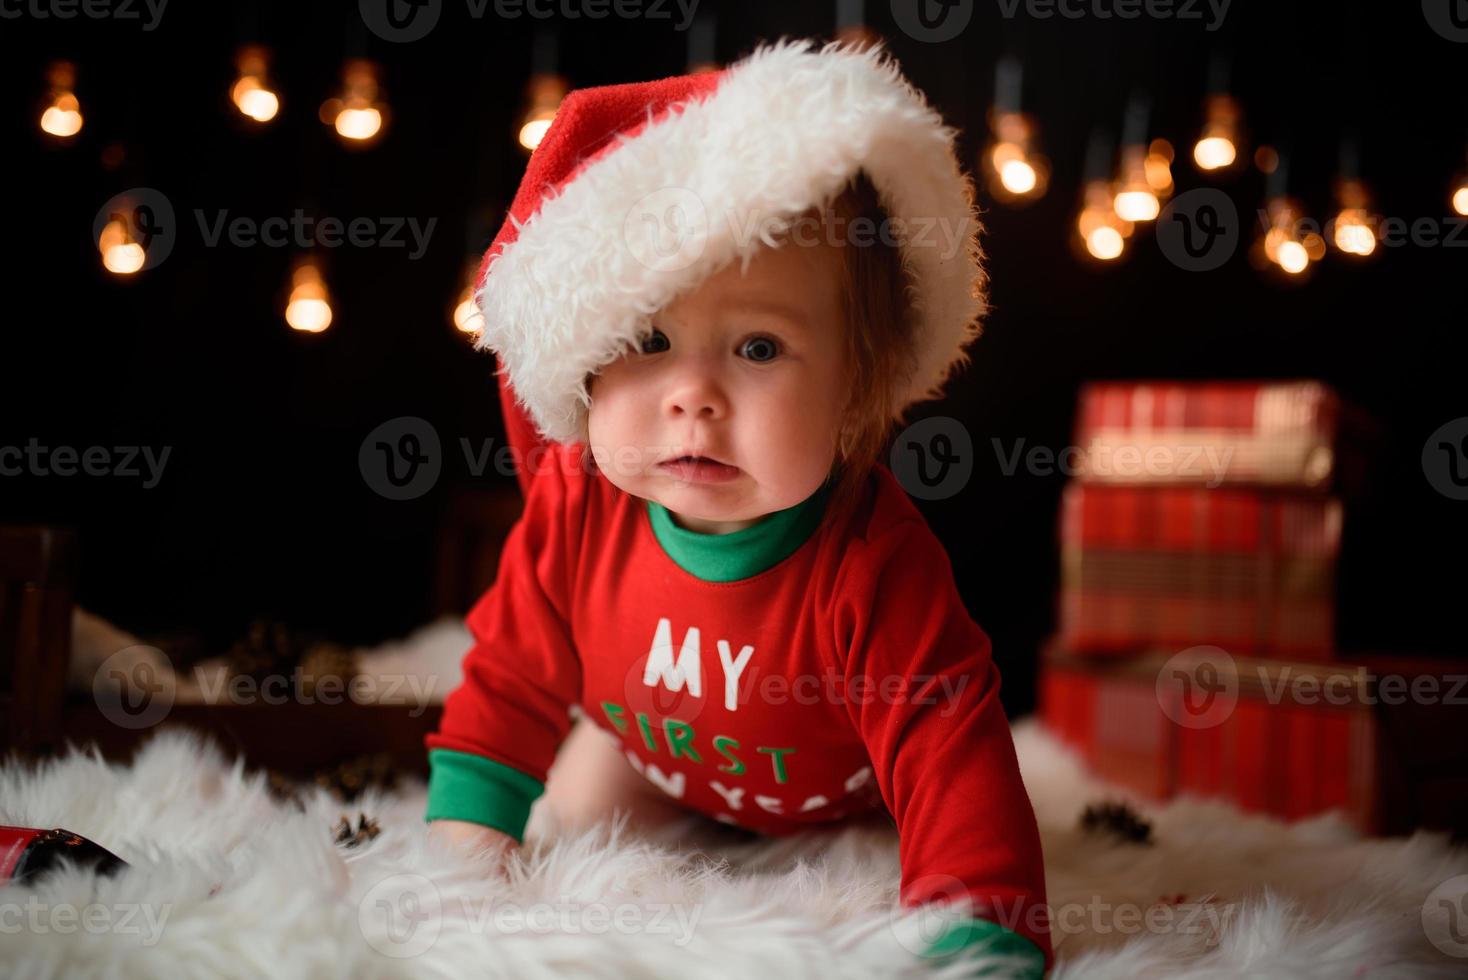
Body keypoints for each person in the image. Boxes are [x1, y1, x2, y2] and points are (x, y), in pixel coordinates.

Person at [425, 37, 1052, 976]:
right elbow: (510, 679)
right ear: (584, 360)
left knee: (873, 853)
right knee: (585, 817)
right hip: (651, 755)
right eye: (648, 338)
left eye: (759, 349)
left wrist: (984, 925)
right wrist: (465, 851)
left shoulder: (870, 562)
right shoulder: (579, 509)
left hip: (837, 791)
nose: (694, 396)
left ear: (855, 389)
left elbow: (944, 743)